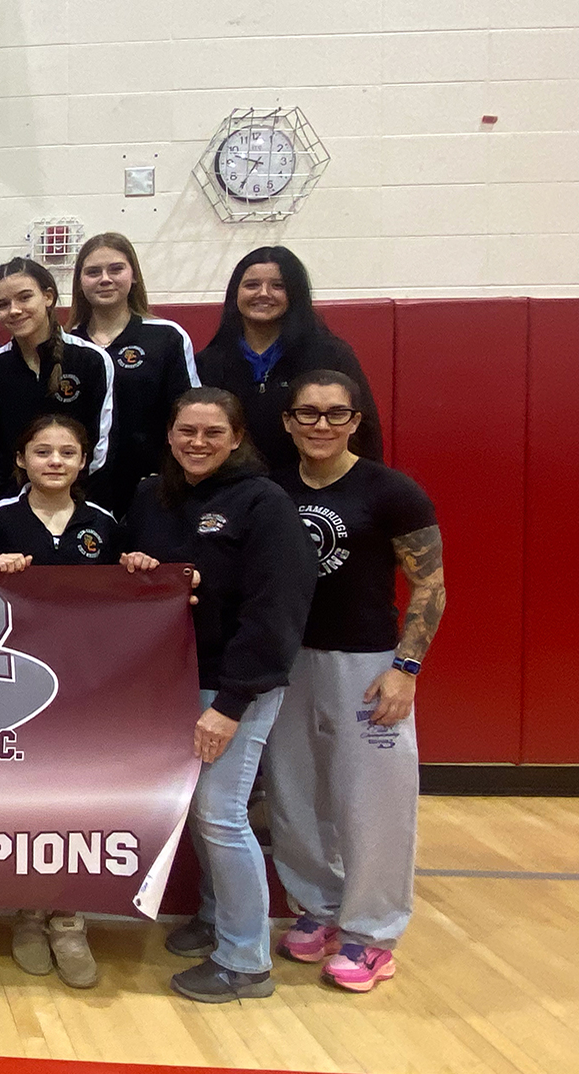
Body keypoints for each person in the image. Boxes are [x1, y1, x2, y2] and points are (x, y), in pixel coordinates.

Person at [122, 387, 316, 1003]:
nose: (197, 443)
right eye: (187, 431)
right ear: (170, 434)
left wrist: (231, 704)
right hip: (170, 679)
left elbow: (276, 610)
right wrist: (139, 569)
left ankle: (244, 960)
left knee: (221, 814)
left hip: (234, 683)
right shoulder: (152, 496)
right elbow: (141, 581)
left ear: (236, 439)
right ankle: (213, 918)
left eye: (212, 432)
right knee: (200, 811)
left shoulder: (264, 502)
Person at [264, 370, 446, 993]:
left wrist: (406, 668)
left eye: (336, 414)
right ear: (288, 421)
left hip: (367, 665)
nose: (322, 425)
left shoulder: (391, 491)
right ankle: (320, 909)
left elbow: (430, 584)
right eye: (308, 413)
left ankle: (372, 934)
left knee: (373, 803)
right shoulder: (270, 489)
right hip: (286, 662)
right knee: (294, 796)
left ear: (355, 421)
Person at [0, 414, 121, 989]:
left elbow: (126, 601)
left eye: (67, 452)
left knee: (76, 800)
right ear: (20, 460)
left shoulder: (104, 523)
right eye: (42, 451)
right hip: (18, 687)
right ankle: (27, 913)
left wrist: (139, 569)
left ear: (84, 460)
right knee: (23, 799)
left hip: (85, 687)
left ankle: (68, 917)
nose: (55, 461)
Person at [195, 246, 383, 471]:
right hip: (234, 486)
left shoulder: (331, 355)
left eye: (278, 286)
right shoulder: (208, 362)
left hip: (310, 484)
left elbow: (365, 433)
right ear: (235, 293)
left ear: (295, 294)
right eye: (252, 285)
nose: (263, 293)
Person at [67, 233, 199, 517]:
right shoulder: (65, 346)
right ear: (79, 282)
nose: (105, 279)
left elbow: (190, 413)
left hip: (154, 487)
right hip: (79, 490)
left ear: (134, 275)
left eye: (116, 269)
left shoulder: (167, 338)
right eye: (93, 272)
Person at [0, 257, 116, 500]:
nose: (14, 310)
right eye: (3, 304)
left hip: (81, 500)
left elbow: (101, 446)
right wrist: (18, 505)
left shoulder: (91, 361)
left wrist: (74, 504)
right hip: (14, 503)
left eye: (25, 297)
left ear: (48, 297)